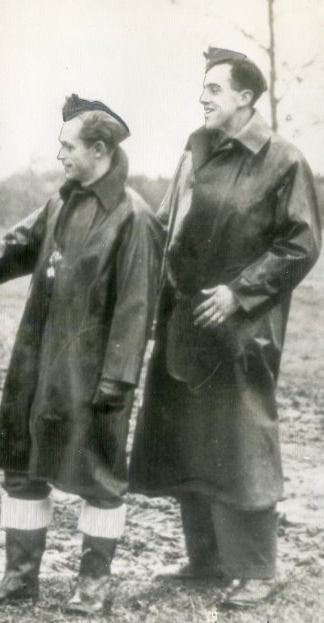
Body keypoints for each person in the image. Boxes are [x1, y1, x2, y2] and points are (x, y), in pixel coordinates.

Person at [0, 94, 161, 614]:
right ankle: (20, 579)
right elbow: (5, 252)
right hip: (37, 368)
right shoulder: (59, 205)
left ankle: (93, 585)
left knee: (98, 478)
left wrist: (117, 380)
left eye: (68, 146)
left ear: (99, 149)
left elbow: (136, 309)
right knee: (21, 468)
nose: (59, 154)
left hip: (94, 377)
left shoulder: (135, 217)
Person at [128, 48, 321, 610]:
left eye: (214, 88)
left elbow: (301, 244)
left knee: (242, 442)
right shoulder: (196, 152)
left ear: (245, 96)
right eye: (203, 87)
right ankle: (206, 560)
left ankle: (258, 570)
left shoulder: (283, 161)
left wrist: (239, 294)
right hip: (185, 318)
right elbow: (166, 225)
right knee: (189, 433)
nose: (203, 97)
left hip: (242, 329)